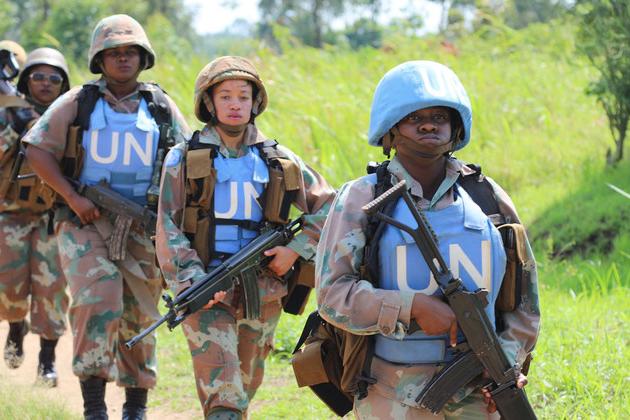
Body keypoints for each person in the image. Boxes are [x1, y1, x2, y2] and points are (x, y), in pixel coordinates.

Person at [315, 60, 540, 419]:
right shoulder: (363, 197)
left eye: (439, 116)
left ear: (456, 127)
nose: (429, 124)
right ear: (391, 129)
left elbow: (525, 301)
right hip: (390, 392)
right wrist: (412, 307)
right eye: (413, 117)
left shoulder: (486, 197)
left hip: (478, 390)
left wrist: (506, 362)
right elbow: (333, 296)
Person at [23, 14, 191, 420]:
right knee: (98, 298)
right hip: (86, 219)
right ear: (99, 59)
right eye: (114, 52)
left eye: (131, 51)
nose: (123, 58)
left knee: (140, 313)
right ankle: (95, 407)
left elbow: (188, 160)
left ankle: (135, 406)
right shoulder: (78, 101)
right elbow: (37, 149)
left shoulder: (160, 106)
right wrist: (72, 197)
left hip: (142, 225)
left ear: (143, 58)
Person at [155, 55, 335, 419]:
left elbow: (332, 205)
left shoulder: (278, 159)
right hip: (207, 286)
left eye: (243, 96)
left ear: (256, 102)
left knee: (246, 383)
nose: (235, 104)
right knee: (224, 391)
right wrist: (193, 278)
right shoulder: (184, 157)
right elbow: (167, 225)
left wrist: (295, 250)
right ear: (209, 103)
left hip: (263, 289)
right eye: (225, 96)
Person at [0, 46, 70, 387]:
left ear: (63, 84)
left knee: (52, 290)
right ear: (26, 80)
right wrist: (13, 125)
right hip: (11, 214)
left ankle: (47, 359)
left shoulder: (70, 117)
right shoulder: (8, 112)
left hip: (51, 217)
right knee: (8, 289)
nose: (45, 83)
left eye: (53, 79)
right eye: (38, 76)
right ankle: (16, 326)